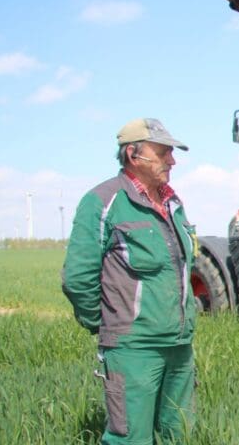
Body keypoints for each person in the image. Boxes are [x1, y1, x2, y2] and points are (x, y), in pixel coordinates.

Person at [62, 118, 197, 444]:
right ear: (134, 155)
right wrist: (111, 325)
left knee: (179, 433)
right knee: (130, 438)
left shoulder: (172, 204)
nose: (172, 161)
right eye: (163, 152)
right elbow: (78, 278)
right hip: (134, 348)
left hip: (180, 347)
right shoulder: (104, 201)